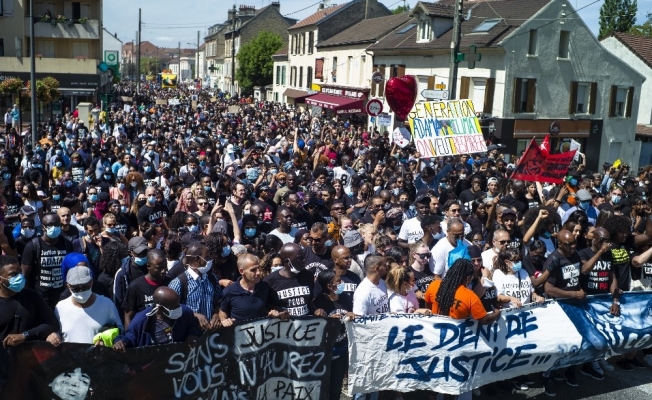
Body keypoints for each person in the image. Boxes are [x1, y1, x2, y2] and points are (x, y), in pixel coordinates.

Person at [542, 229, 586, 396]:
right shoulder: (554, 259)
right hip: (559, 307)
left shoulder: (574, 255)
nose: (573, 246)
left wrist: (578, 291)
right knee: (558, 345)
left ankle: (569, 371)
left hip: (575, 305)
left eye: (574, 242)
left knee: (576, 341)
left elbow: (576, 278)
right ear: (559, 244)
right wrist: (573, 294)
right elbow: (549, 289)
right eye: (569, 244)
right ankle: (549, 377)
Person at [49, 266, 123, 345]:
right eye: (76, 288)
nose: (81, 291)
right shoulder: (60, 308)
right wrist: (52, 337)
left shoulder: (107, 305)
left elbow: (120, 331)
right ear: (68, 286)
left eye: (85, 287)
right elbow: (56, 334)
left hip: (99, 353)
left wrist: (105, 339)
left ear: (91, 283)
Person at [112, 287, 200, 350]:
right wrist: (120, 342)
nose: (179, 308)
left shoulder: (185, 313)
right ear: (161, 308)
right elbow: (129, 338)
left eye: (178, 304)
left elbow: (192, 325)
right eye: (174, 307)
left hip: (176, 363)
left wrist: (192, 334)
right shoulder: (140, 322)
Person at [314, 269, 356, 400]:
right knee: (323, 388)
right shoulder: (319, 302)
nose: (342, 282)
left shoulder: (345, 298)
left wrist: (351, 314)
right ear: (329, 286)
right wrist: (328, 320)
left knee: (336, 388)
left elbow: (353, 314)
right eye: (338, 281)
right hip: (324, 352)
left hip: (341, 350)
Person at [0, 255, 58, 346]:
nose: (19, 277)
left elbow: (52, 323)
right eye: (13, 274)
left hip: (29, 353)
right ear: (1, 279)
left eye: (20, 272)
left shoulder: (32, 296)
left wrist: (25, 335)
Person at [21, 212, 73, 309]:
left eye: (56, 224)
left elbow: (71, 269)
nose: (54, 227)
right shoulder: (33, 246)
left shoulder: (67, 244)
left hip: (62, 296)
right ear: (43, 227)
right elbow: (25, 275)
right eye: (50, 225)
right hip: (41, 296)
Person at [219, 253, 289, 325]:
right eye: (253, 270)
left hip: (264, 330)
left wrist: (276, 312)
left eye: (259, 268)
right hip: (240, 331)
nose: (258, 273)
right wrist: (224, 320)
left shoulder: (265, 287)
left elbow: (273, 306)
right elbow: (222, 310)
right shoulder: (230, 291)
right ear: (242, 271)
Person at [168, 242, 223, 331]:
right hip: (188, 334)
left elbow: (218, 301)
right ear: (198, 259)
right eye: (207, 257)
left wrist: (216, 314)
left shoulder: (212, 278)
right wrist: (194, 315)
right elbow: (171, 310)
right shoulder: (178, 283)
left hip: (210, 333)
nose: (210, 259)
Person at [264, 243, 325, 317]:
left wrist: (316, 310)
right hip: (284, 323)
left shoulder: (308, 275)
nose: (304, 260)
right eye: (299, 258)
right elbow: (265, 306)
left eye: (303, 257)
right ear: (287, 261)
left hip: (306, 323)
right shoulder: (270, 281)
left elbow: (308, 301)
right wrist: (276, 312)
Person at [122, 249, 171, 329]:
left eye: (165, 266)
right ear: (148, 266)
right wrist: (130, 334)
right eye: (159, 268)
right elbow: (128, 317)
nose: (163, 271)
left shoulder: (170, 283)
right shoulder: (135, 287)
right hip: (144, 332)